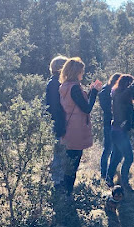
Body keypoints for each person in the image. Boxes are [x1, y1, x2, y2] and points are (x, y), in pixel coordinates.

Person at [59, 57, 102, 196]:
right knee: (73, 166)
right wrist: (95, 91)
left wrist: (89, 92)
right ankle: (68, 195)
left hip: (68, 129)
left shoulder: (64, 86)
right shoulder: (75, 88)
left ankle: (65, 193)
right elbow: (87, 108)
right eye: (81, 72)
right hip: (76, 131)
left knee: (68, 164)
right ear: (76, 72)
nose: (82, 74)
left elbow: (78, 104)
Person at [111, 72, 134, 191]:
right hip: (119, 132)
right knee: (129, 157)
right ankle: (124, 182)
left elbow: (133, 94)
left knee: (116, 157)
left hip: (117, 131)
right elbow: (130, 92)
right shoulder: (120, 96)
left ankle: (109, 179)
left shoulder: (121, 96)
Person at [46, 55, 68, 188]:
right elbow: (55, 107)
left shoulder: (54, 82)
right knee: (59, 154)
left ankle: (58, 181)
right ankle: (57, 183)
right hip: (58, 124)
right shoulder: (55, 83)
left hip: (58, 122)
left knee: (60, 153)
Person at [99, 73, 122, 186]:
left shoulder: (114, 91)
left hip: (117, 125)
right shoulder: (105, 91)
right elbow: (107, 108)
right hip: (109, 123)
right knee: (108, 148)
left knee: (115, 150)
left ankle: (110, 172)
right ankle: (104, 174)